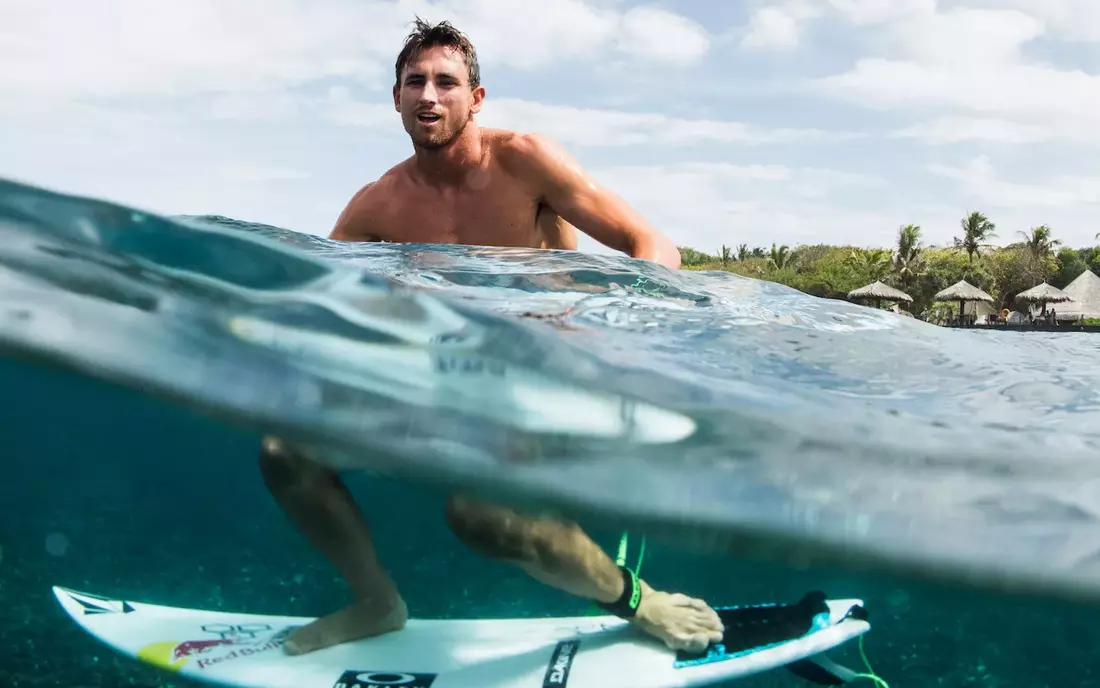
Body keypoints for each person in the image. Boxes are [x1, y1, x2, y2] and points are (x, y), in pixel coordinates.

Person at [259, 17, 723, 658]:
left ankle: (639, 600)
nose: (429, 95)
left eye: (446, 82)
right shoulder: (376, 205)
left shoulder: (525, 160)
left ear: (475, 98)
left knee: (484, 517)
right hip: (452, 377)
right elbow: (321, 298)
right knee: (287, 452)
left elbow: (651, 244)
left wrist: (624, 332)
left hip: (553, 366)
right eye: (414, 82)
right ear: (395, 98)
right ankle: (376, 601)